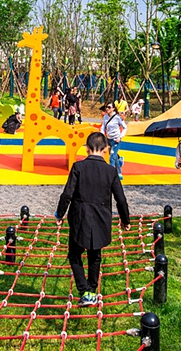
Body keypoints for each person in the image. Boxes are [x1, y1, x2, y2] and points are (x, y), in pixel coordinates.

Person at [56, 132, 130, 306]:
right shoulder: (111, 171)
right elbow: (121, 199)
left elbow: (67, 193)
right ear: (106, 150)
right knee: (95, 255)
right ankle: (91, 289)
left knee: (74, 254)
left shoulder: (78, 167)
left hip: (79, 217)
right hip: (101, 218)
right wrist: (125, 220)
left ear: (87, 149)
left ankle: (84, 290)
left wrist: (60, 213)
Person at [100, 102, 127, 180]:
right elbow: (103, 127)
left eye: (109, 107)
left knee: (112, 157)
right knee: (114, 157)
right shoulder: (105, 117)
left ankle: (111, 174)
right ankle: (119, 172)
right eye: (106, 107)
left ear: (113, 108)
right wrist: (102, 134)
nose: (107, 109)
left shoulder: (117, 117)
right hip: (108, 139)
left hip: (116, 140)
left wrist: (120, 137)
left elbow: (125, 128)